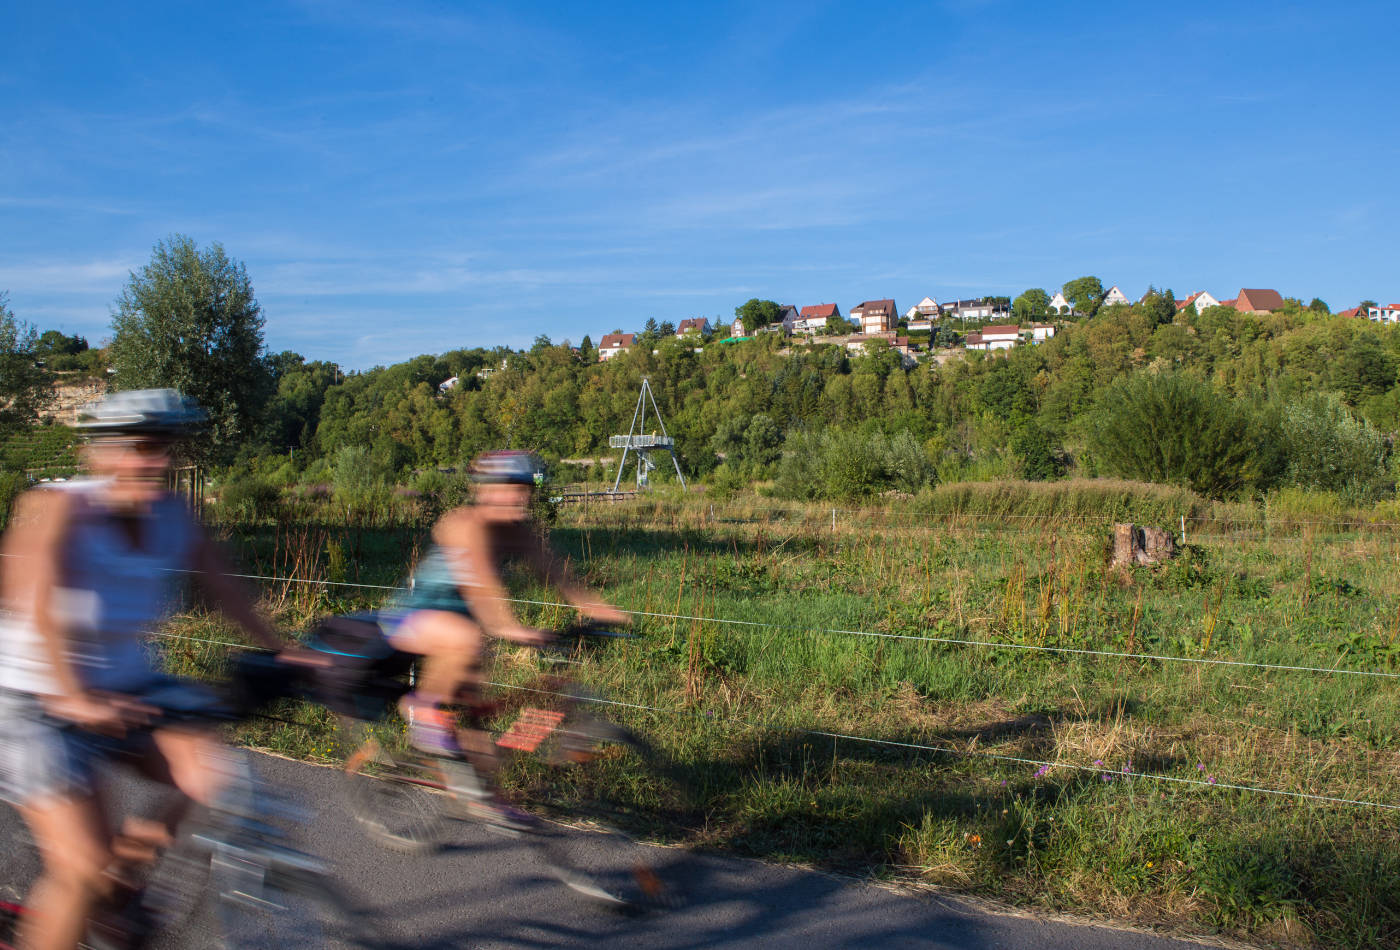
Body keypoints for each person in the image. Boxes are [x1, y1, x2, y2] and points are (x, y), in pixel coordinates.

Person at [0, 389, 312, 950]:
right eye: (143, 446)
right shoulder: (59, 508)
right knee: (81, 872)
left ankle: (127, 869)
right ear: (100, 452)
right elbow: (37, 602)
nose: (159, 461)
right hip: (37, 696)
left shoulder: (173, 513)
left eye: (166, 446)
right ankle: (93, 886)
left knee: (216, 775)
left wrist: (285, 650)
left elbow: (226, 590)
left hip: (129, 683)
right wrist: (73, 697)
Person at [380, 450, 627, 821]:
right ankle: (420, 709)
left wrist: (601, 610)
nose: (520, 497)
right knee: (468, 639)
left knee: (478, 715)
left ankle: (483, 795)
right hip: (413, 620)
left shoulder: (519, 533)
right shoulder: (464, 525)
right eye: (511, 488)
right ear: (486, 490)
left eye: (526, 489)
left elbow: (558, 576)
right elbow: (485, 591)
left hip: (463, 631)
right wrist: (514, 629)